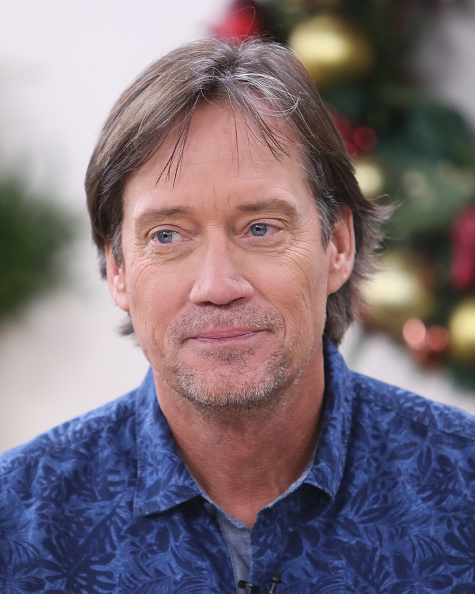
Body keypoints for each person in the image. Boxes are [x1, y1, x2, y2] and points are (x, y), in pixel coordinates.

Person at [1, 37, 474, 594]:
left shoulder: (463, 487)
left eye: (260, 228)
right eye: (167, 235)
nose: (217, 286)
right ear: (119, 269)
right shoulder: (15, 522)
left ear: (338, 246)